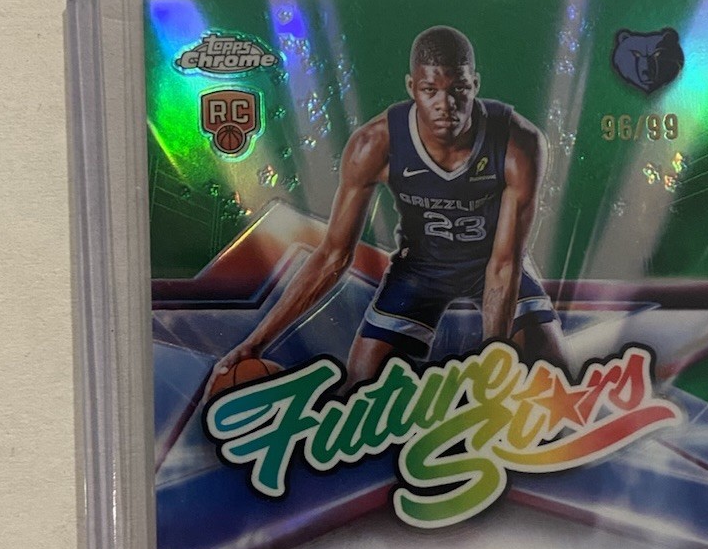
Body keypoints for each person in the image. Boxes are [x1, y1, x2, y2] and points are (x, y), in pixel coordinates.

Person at [206, 25, 567, 396]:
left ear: (474, 84)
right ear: (412, 88)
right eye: (430, 90)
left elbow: (504, 264)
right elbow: (333, 255)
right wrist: (255, 343)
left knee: (554, 375)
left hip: (492, 257)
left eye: (458, 89)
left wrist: (495, 362)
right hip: (421, 268)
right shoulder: (374, 143)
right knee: (361, 390)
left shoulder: (518, 143)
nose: (445, 104)